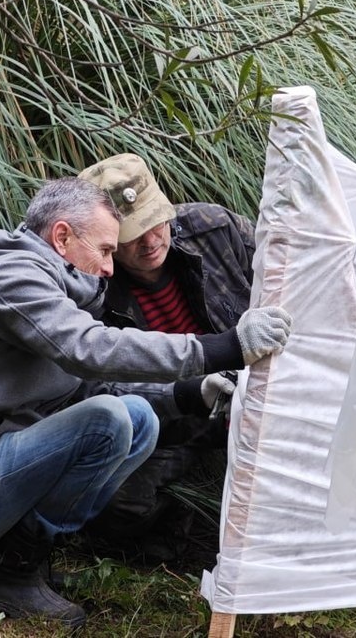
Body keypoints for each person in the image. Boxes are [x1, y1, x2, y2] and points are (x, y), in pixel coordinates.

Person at [0, 177, 291, 627]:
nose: (112, 268)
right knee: (109, 421)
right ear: (62, 236)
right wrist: (222, 347)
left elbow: (89, 389)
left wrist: (191, 392)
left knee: (137, 418)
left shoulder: (58, 290)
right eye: (107, 250)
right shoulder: (10, 277)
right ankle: (0, 575)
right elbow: (90, 349)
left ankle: (14, 562)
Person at [76, 153, 255, 563]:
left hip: (261, 391)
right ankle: (192, 529)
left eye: (155, 220)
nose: (152, 239)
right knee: (115, 503)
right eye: (132, 233)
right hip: (175, 416)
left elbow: (290, 274)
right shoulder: (90, 287)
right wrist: (189, 394)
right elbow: (96, 382)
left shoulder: (215, 228)